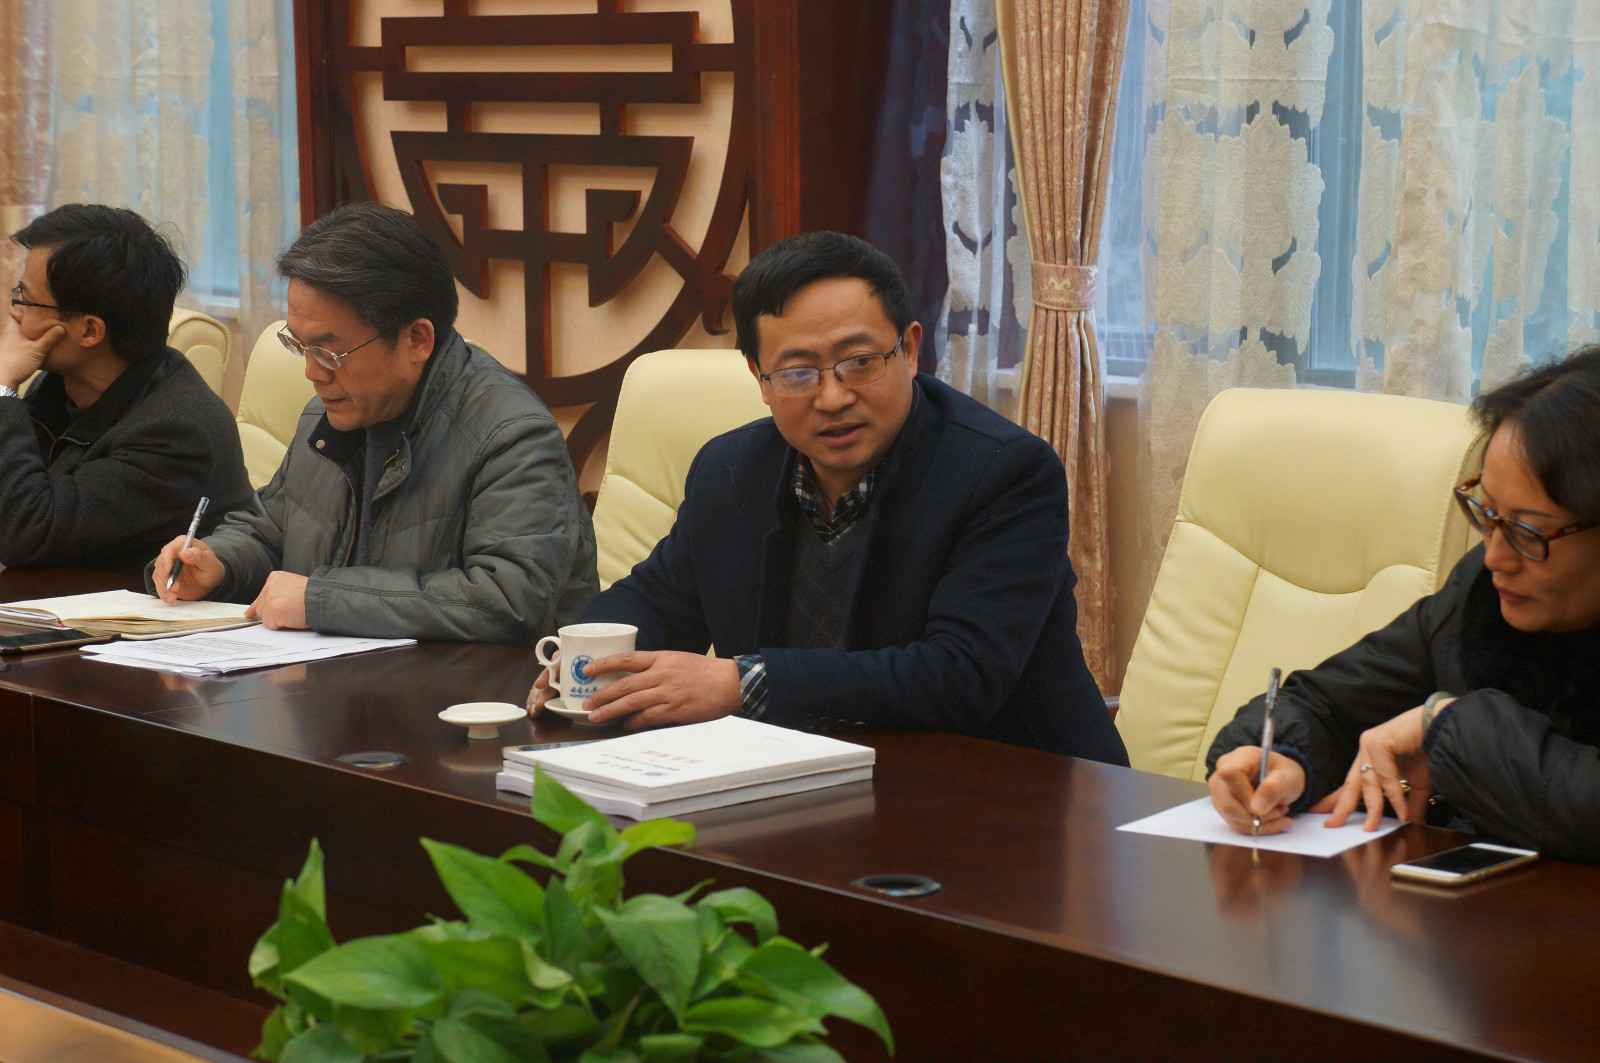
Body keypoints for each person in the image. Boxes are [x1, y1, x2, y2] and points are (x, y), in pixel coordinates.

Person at [528, 230, 1128, 763]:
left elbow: (960, 675)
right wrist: (580, 660)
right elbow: (657, 600)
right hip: (807, 781)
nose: (833, 397)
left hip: (1016, 789)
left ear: (910, 350)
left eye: (859, 362)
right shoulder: (729, 470)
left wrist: (741, 683)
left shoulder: (1004, 472)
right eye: (797, 373)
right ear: (759, 378)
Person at [1207, 347, 1600, 862]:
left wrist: (1445, 724)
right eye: (1486, 513)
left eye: (1528, 531)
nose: (1494, 557)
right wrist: (1278, 759)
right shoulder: (1479, 599)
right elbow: (1327, 704)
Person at [151, 202, 597, 644]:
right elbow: (270, 529)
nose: (312, 372)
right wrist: (219, 562)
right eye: (300, 346)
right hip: (342, 677)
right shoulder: (330, 413)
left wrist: (323, 600)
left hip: (473, 686)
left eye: (330, 352)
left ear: (417, 339)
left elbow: (510, 600)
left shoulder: (512, 436)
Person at [0, 205, 252, 576]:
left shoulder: (176, 432)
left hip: (129, 610)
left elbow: (29, 533)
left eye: (25, 299)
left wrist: (3, 390)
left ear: (89, 331)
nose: (14, 315)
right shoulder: (59, 383)